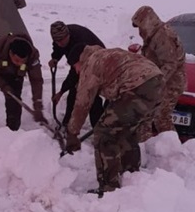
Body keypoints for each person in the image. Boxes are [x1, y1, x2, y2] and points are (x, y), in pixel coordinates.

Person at [65, 44, 164, 196]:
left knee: (104, 133)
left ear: (81, 61)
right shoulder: (111, 54)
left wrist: (72, 133)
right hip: (157, 82)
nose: (76, 71)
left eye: (75, 67)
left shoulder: (91, 63)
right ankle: (132, 176)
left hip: (137, 86)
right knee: (127, 131)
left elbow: (82, 103)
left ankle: (108, 187)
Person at [130, 6, 186, 142]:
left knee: (161, 116)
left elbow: (170, 64)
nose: (139, 31)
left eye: (140, 26)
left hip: (170, 83)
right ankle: (146, 147)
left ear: (148, 22)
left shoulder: (163, 36)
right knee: (145, 115)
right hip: (159, 82)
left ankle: (171, 150)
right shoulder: (153, 35)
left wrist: (154, 83)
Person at [48, 21, 105, 127]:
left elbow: (74, 74)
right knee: (74, 92)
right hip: (79, 60)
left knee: (91, 95)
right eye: (56, 41)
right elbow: (58, 48)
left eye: (61, 40)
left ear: (68, 35)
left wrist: (61, 92)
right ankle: (67, 123)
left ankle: (99, 130)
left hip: (98, 61)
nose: (59, 43)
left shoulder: (80, 42)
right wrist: (55, 58)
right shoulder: (59, 37)